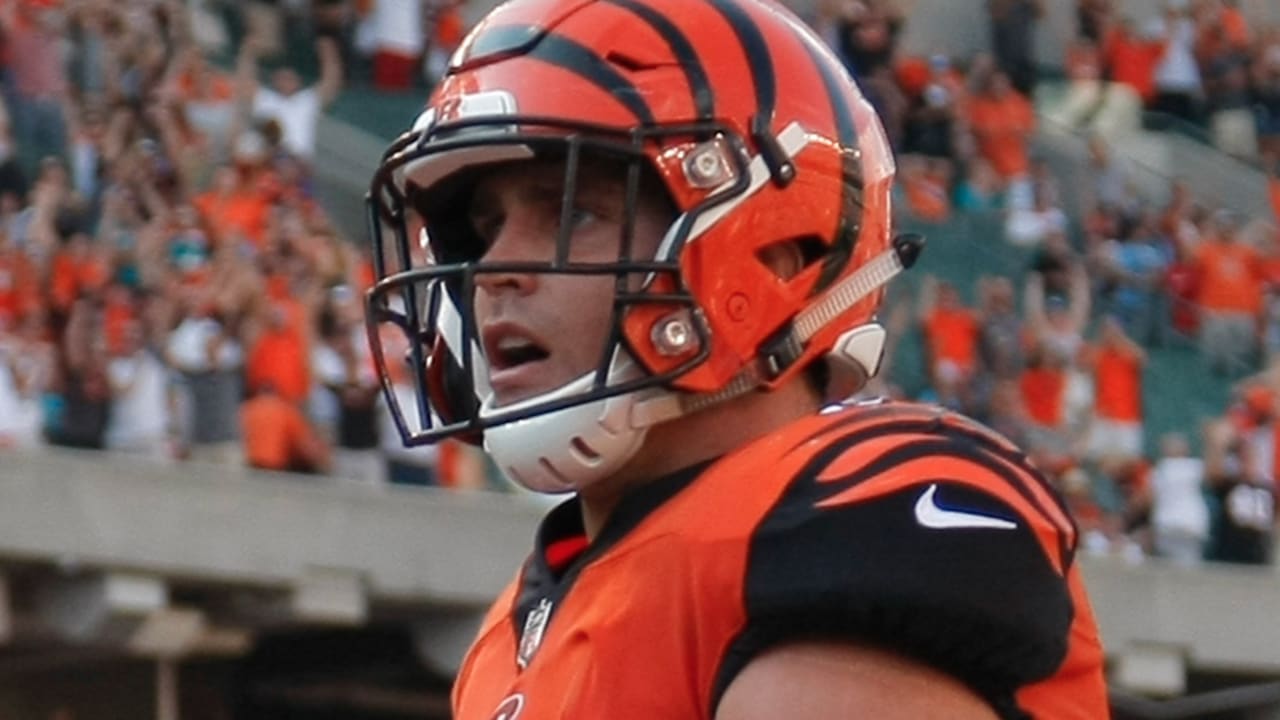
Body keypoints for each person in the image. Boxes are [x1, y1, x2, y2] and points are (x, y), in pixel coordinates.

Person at [363, 1, 1109, 718]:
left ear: (775, 254)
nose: (493, 271)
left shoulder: (843, 515)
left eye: (572, 213)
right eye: (485, 230)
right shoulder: (524, 616)